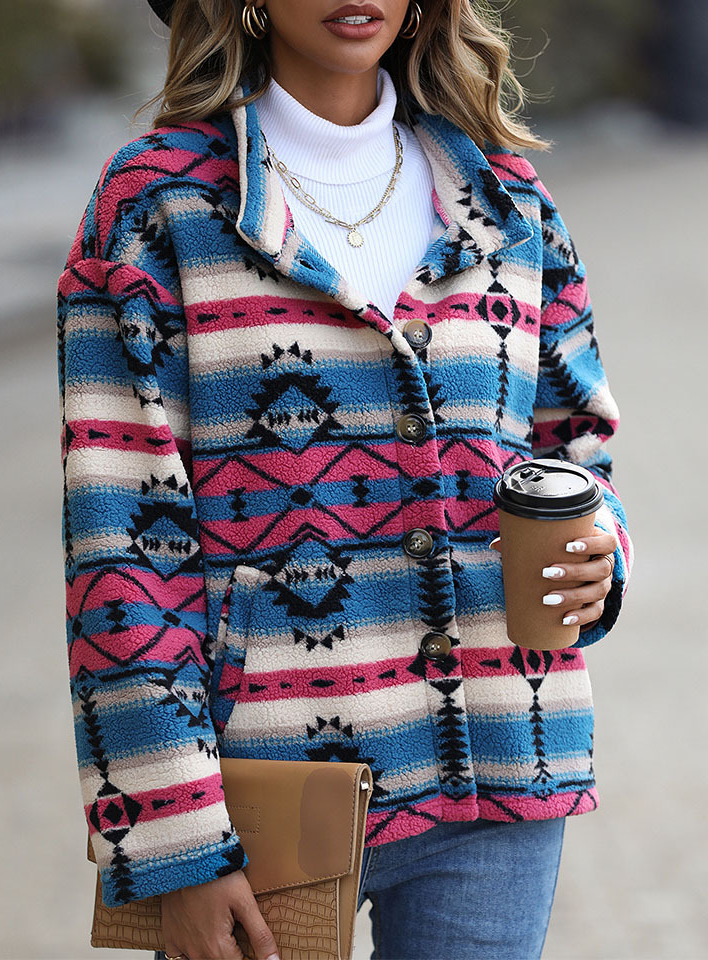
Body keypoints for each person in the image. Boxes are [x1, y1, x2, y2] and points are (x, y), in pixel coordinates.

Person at [56, 1, 634, 958]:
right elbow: (119, 541)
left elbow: (573, 446)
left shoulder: (508, 201)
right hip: (263, 794)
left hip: (504, 768)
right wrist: (177, 844)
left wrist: (599, 547)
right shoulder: (159, 206)